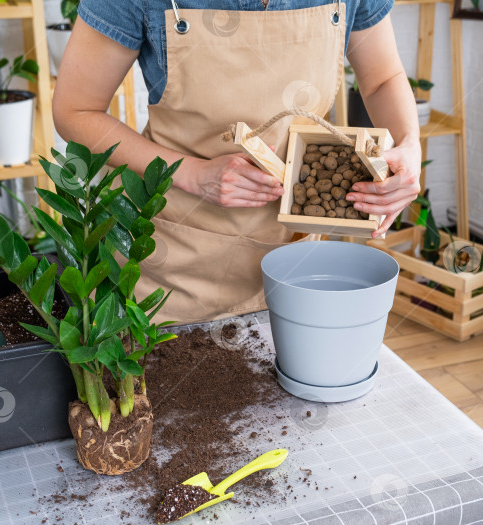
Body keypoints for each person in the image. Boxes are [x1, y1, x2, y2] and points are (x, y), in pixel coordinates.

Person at [53, 0, 421, 324]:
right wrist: (191, 174)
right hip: (171, 263)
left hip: (291, 262)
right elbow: (75, 110)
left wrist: (409, 146)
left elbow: (381, 79)